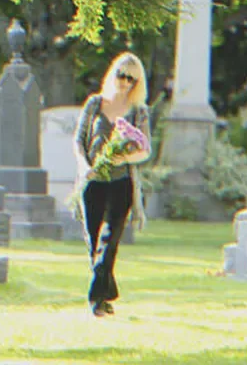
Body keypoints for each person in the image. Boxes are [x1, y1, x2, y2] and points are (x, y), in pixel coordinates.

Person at [73, 52, 151, 317]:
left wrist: (123, 155)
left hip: (121, 183)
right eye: (122, 75)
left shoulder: (138, 112)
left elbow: (145, 149)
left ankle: (96, 300)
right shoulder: (95, 104)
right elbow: (78, 140)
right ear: (113, 74)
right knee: (94, 241)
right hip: (93, 181)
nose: (126, 82)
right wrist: (85, 168)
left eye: (132, 78)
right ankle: (106, 295)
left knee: (109, 241)